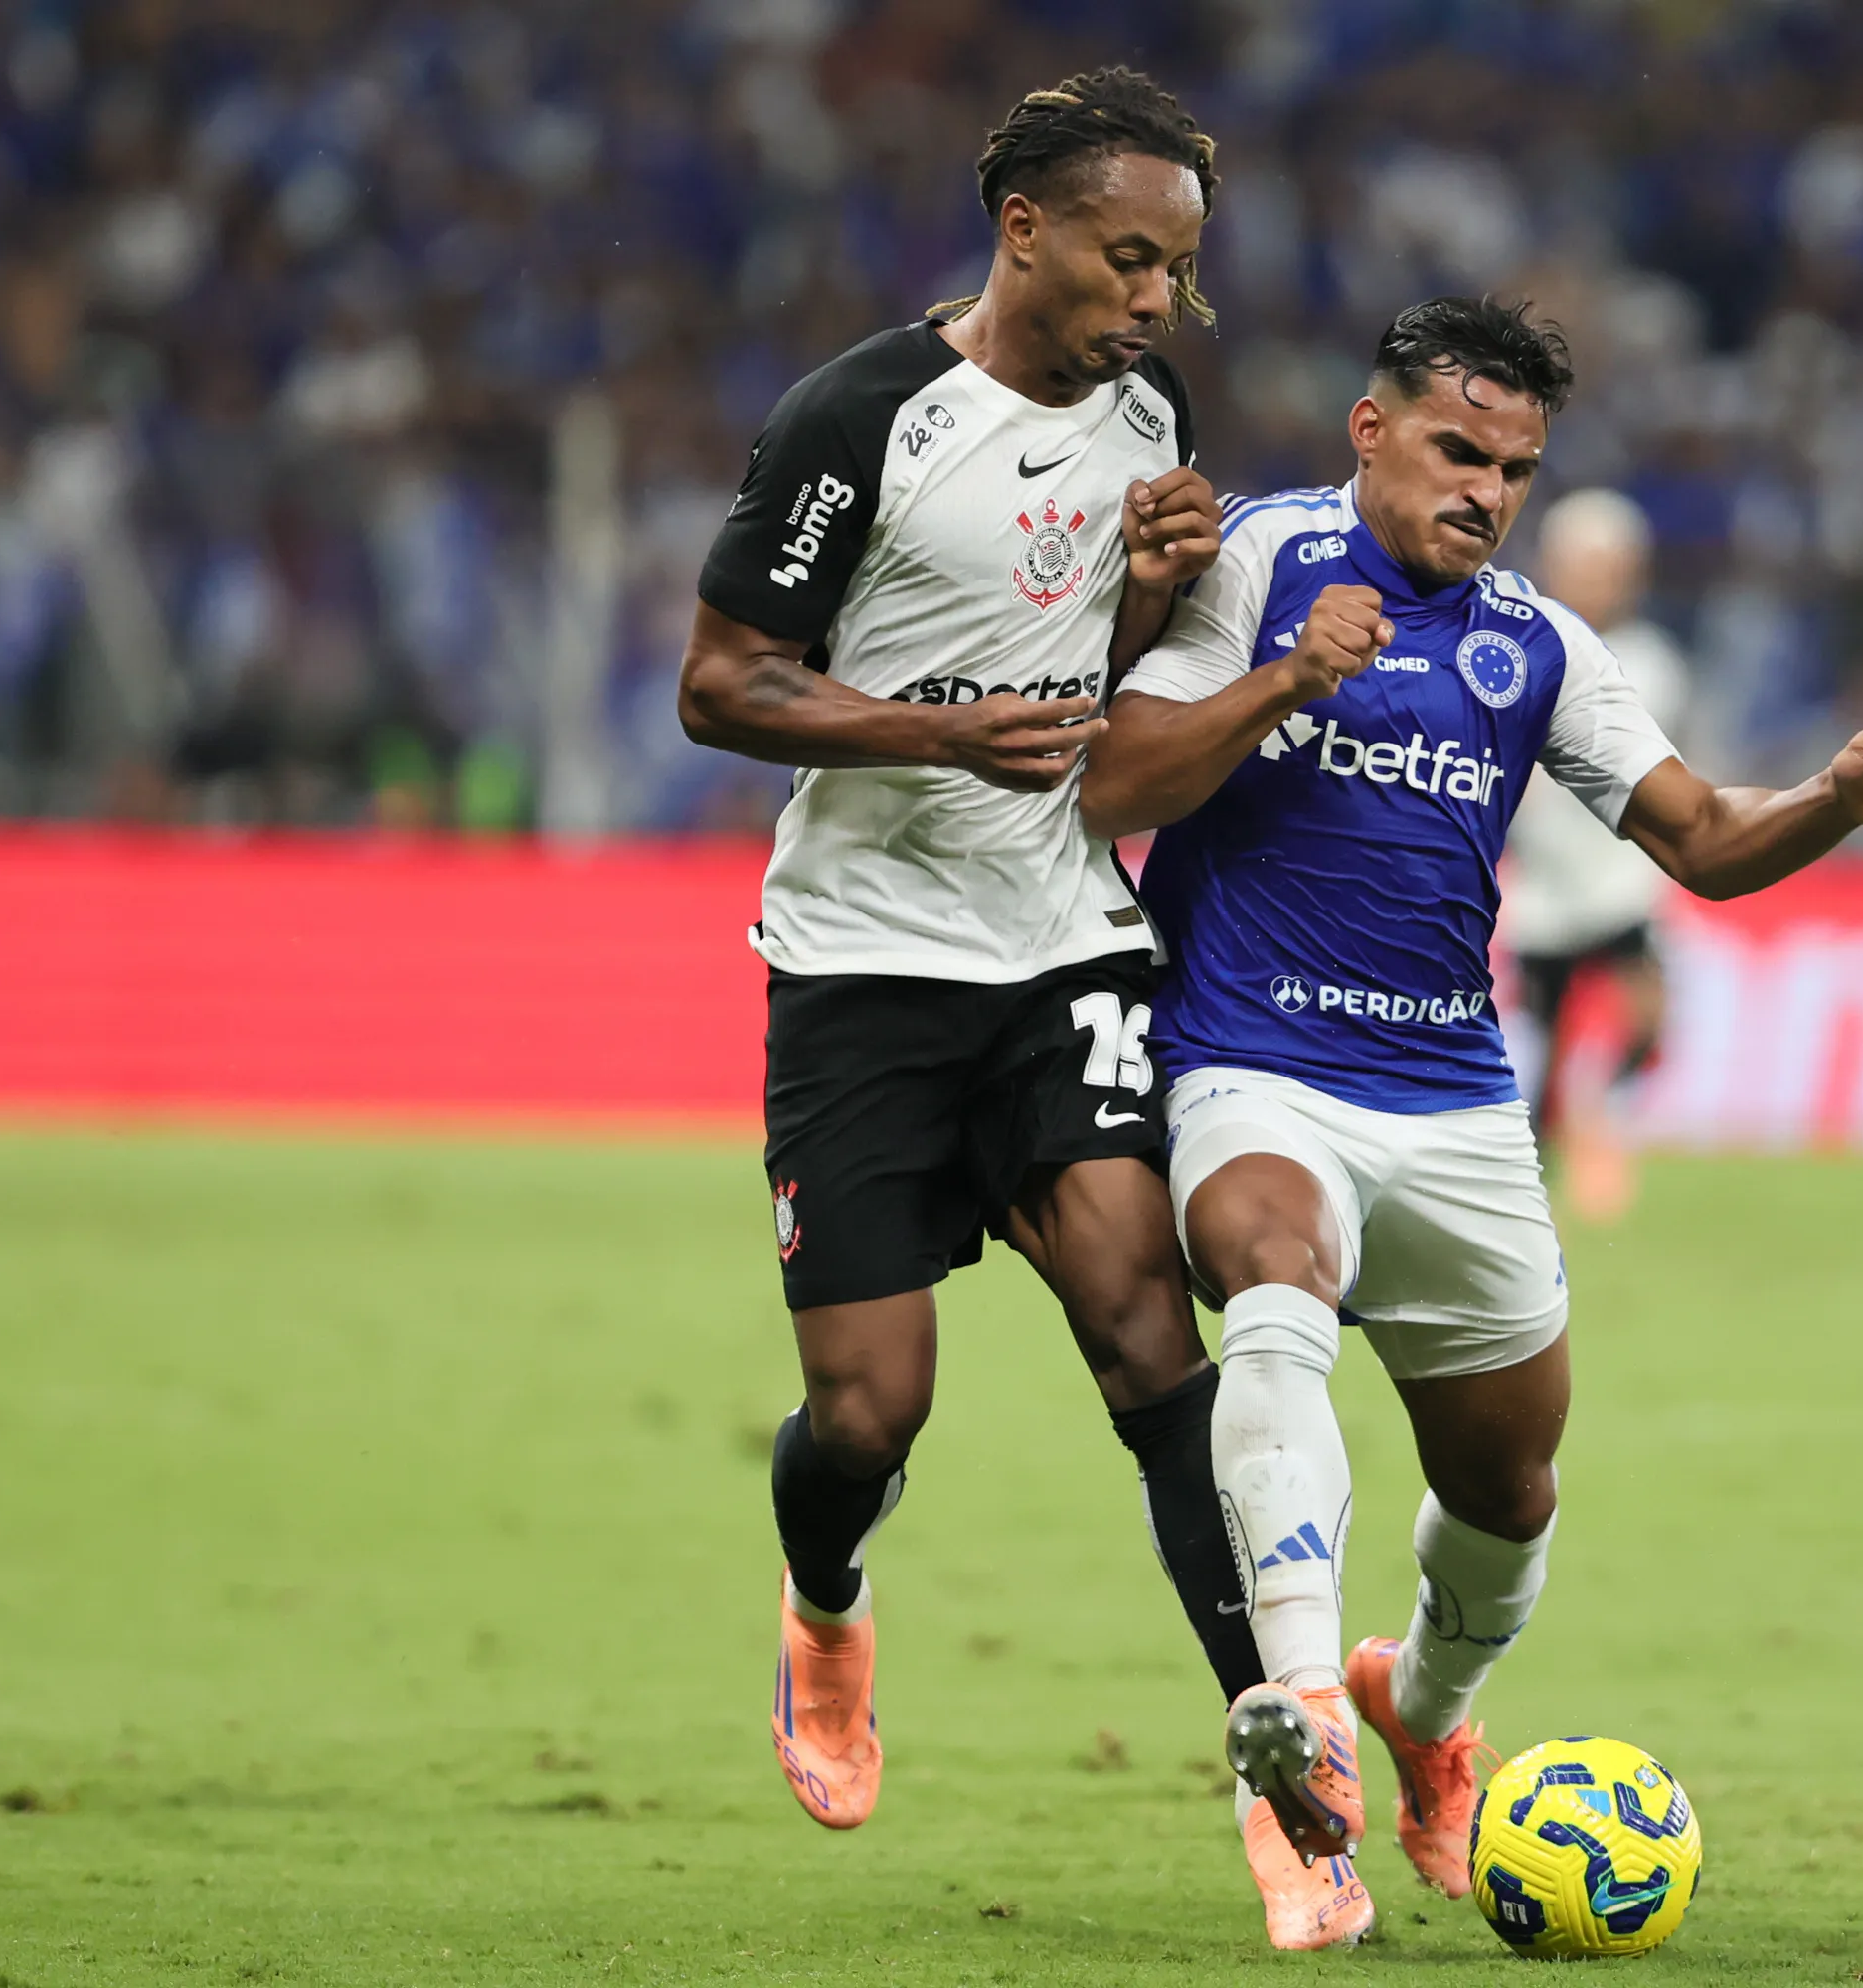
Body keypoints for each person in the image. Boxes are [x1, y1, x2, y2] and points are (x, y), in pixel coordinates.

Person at [1077, 296, 1863, 1949]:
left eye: (1514, 468)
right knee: (1271, 1277)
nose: (1483, 490)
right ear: (1370, 429)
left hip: (1457, 1104)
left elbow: (1697, 837)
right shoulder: (1260, 562)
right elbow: (1116, 780)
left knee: (1511, 1492)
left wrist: (1840, 796)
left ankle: (1415, 1707)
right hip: (1253, 1062)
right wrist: (1285, 678)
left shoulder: (1535, 643)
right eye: (1455, 450)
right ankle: (1298, 1726)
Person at [673, 68, 1266, 1846]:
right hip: (862, 957)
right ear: (1028, 231)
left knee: (1146, 1332)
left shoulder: (1149, 415)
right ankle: (828, 1615)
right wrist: (934, 737)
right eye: (1129, 257)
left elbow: (1106, 655)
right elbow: (719, 685)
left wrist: (1165, 582)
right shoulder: (859, 414)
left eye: (1176, 270)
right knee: (869, 1408)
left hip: (1063, 937)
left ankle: (1276, 1745)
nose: (1157, 299)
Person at [1499, 489, 1689, 1222]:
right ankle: (1535, 1176)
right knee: (1539, 1047)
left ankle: (1602, 1116)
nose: (1600, 580)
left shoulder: (1655, 664)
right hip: (1545, 888)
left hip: (1620, 878)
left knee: (1648, 1013)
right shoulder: (1519, 646)